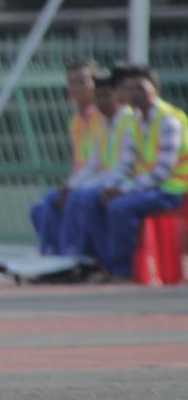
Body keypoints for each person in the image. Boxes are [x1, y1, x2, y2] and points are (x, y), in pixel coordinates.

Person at [75, 65, 187, 279]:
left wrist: (124, 190)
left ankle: (123, 270)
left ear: (155, 88)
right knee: (95, 200)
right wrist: (112, 188)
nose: (134, 93)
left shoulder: (168, 120)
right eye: (129, 88)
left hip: (172, 190)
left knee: (119, 208)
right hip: (146, 188)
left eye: (140, 87)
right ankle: (101, 265)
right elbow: (126, 165)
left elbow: (162, 172)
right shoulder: (135, 121)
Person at [29, 59, 103, 254]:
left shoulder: (104, 116)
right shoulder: (76, 121)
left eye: (82, 81)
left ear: (95, 84)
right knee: (39, 209)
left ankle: (72, 254)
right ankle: (53, 254)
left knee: (66, 201)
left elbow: (100, 163)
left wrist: (72, 187)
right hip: (82, 181)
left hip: (99, 181)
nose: (76, 87)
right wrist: (68, 185)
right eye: (71, 82)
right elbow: (79, 163)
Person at [61, 68, 134, 259]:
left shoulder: (130, 121)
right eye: (98, 97)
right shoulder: (101, 124)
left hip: (124, 183)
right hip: (105, 181)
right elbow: (92, 164)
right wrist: (71, 185)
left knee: (83, 199)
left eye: (105, 96)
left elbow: (125, 167)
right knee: (55, 201)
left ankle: (98, 259)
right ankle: (64, 254)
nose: (101, 102)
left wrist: (92, 187)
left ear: (118, 95)